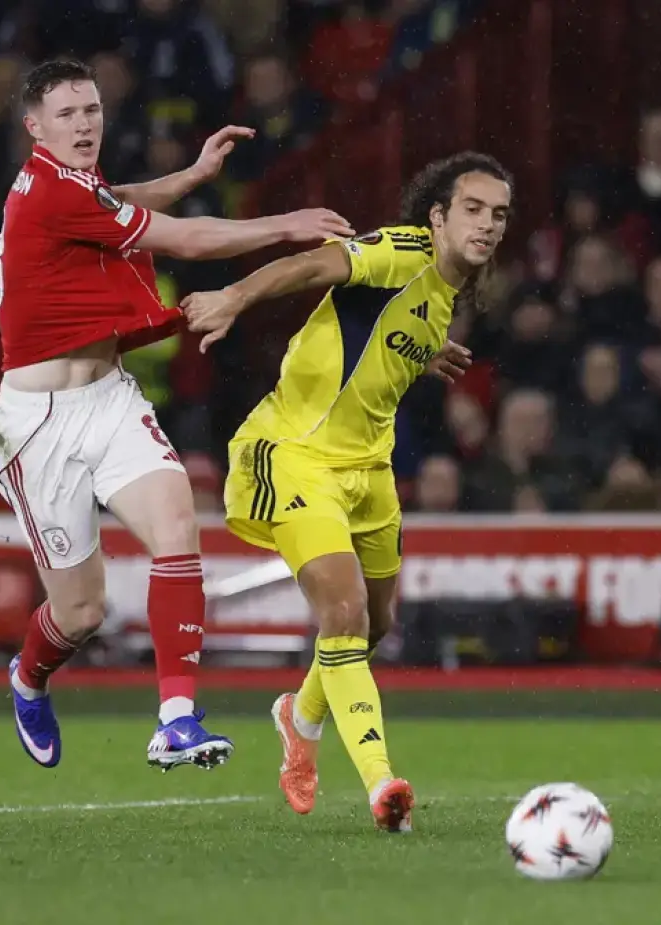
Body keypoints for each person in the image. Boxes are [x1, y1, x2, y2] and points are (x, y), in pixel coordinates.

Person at [0, 57, 353, 772]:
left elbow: (116, 197)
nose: (85, 123)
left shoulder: (71, 182)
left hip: (109, 397)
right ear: (34, 127)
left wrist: (187, 178)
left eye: (92, 109)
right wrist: (287, 225)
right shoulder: (49, 194)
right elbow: (184, 241)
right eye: (67, 114)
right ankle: (27, 676)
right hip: (37, 422)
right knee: (82, 613)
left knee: (178, 526)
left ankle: (177, 719)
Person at [182, 152, 510, 830]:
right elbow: (312, 266)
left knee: (377, 622)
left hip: (369, 472)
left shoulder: (442, 294)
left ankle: (297, 717)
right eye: (472, 209)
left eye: (499, 214)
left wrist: (426, 349)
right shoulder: (400, 250)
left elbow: (378, 335)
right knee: (346, 609)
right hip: (295, 456)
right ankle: (381, 783)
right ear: (438, 216)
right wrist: (234, 298)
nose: (486, 224)